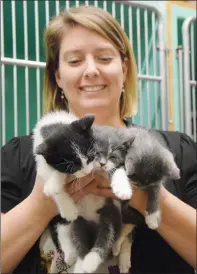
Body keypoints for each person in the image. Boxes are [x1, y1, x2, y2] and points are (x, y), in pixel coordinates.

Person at [1, 5, 196, 274]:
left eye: (104, 58)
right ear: (58, 76)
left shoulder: (175, 150)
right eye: (74, 61)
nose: (91, 70)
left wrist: (147, 196)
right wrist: (40, 206)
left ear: (124, 69)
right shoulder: (20, 155)